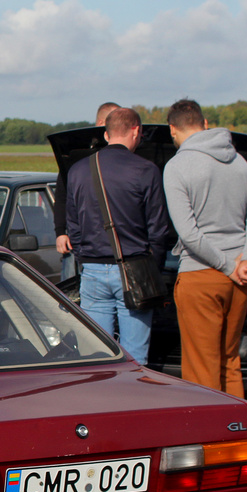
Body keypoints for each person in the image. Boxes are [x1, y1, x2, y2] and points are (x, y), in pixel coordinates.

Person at [163, 98, 247, 397]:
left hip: (201, 275)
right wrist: (244, 260)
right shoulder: (239, 161)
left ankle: (208, 439)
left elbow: (189, 234)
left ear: (173, 129)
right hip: (241, 275)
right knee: (229, 362)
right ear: (205, 123)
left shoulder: (177, 167)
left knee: (201, 370)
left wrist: (226, 266)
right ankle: (237, 436)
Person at [65, 107, 168, 364]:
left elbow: (73, 225)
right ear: (136, 131)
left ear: (106, 133)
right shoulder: (146, 170)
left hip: (92, 270)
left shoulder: (77, 170)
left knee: (96, 356)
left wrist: (84, 256)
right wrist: (153, 269)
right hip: (135, 270)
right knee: (135, 359)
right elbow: (158, 228)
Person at [54, 101, 120, 277]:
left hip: (114, 242)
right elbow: (62, 195)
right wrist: (60, 232)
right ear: (101, 124)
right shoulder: (76, 158)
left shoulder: (123, 157)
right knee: (69, 291)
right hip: (76, 240)